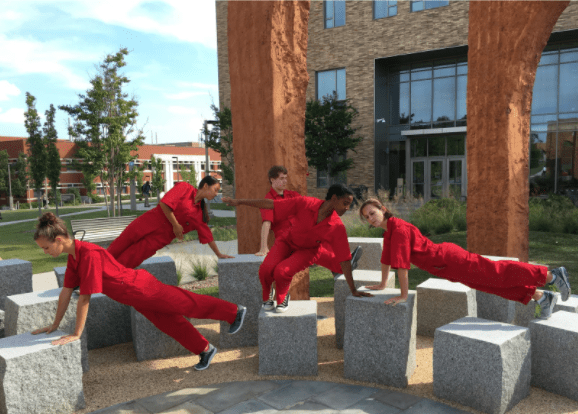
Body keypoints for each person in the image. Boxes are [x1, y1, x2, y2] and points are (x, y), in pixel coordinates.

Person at [31, 212, 246, 370]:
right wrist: (55, 324)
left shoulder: (88, 254)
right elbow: (66, 292)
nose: (45, 251)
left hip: (142, 288)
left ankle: (234, 312)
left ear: (58, 240)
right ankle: (205, 349)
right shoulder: (74, 258)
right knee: (169, 323)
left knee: (187, 303)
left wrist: (76, 334)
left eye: (46, 247)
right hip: (135, 297)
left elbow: (84, 298)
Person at [359, 198, 571, 318]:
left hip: (451, 259)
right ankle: (542, 298)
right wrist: (381, 283)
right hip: (446, 268)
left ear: (383, 209)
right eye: (366, 217)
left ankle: (550, 275)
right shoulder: (388, 232)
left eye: (372, 212)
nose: (371, 218)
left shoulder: (399, 229)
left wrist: (403, 295)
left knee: (496, 271)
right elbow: (386, 260)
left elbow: (401, 266)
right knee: (490, 284)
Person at [224, 183, 372, 313]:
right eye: (345, 203)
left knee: (281, 272)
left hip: (308, 251)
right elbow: (271, 204)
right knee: (265, 269)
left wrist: (353, 290)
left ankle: (282, 298)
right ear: (334, 199)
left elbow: (344, 258)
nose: (347, 208)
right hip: (287, 241)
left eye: (349, 205)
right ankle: (268, 292)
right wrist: (239, 202)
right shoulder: (305, 203)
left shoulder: (337, 226)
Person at [107, 176, 233, 269]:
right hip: (147, 223)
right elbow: (164, 203)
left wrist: (219, 254)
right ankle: (92, 270)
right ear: (205, 186)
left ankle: (105, 280)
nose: (216, 194)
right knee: (117, 247)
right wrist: (176, 225)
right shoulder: (184, 187)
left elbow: (207, 235)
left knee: (129, 260)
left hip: (158, 239)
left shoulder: (201, 213)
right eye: (215, 189)